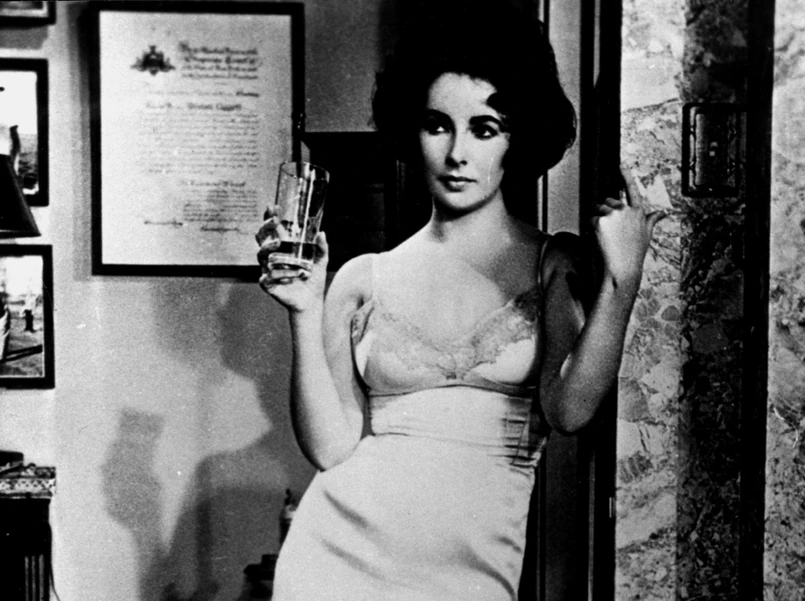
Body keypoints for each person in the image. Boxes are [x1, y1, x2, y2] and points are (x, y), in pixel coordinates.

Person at [256, 2, 664, 599]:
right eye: (437, 125)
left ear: (516, 138)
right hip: (337, 562)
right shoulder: (362, 278)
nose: (457, 154)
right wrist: (302, 309)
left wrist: (623, 279)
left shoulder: (554, 264)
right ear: (411, 130)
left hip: (473, 574)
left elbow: (570, 411)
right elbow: (329, 447)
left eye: (484, 128)